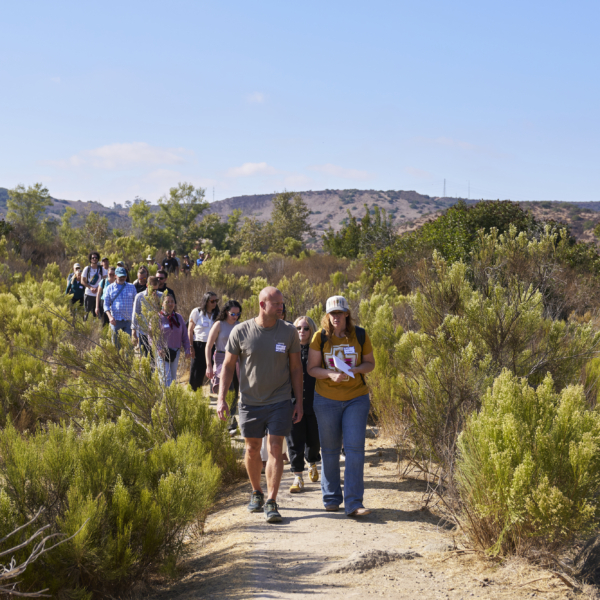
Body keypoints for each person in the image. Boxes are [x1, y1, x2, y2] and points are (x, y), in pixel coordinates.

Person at [217, 287, 303, 523]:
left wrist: (299, 402)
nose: (281, 308)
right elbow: (227, 366)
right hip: (250, 402)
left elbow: (296, 369)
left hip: (280, 399)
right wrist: (221, 399)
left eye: (281, 304)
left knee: (276, 448)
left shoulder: (288, 332)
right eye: (276, 304)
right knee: (252, 449)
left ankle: (272, 501)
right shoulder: (241, 331)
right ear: (262, 305)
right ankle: (256, 491)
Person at [307, 295, 375, 517]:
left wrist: (354, 370)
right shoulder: (320, 337)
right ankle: (331, 497)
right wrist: (330, 374)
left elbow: (370, 364)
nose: (336, 317)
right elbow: (312, 368)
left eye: (339, 313)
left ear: (347, 313)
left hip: (356, 398)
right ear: (328, 315)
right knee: (329, 450)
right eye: (332, 313)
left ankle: (354, 503)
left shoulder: (360, 335)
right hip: (326, 398)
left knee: (355, 450)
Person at [287, 316, 320, 493]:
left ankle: (312, 462)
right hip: (292, 402)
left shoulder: (318, 350)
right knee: (294, 440)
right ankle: (297, 477)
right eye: (298, 328)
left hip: (315, 402)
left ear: (312, 330)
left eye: (306, 328)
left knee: (314, 440)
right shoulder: (288, 350)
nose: (302, 331)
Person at [206, 301, 242, 435]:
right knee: (228, 390)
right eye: (233, 313)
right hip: (221, 358)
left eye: (238, 314)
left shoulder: (240, 326)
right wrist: (209, 365)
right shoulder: (219, 325)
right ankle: (229, 424)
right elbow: (208, 346)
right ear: (226, 312)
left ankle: (231, 422)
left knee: (235, 392)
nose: (235, 316)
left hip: (237, 359)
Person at [153, 295, 190, 386]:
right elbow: (152, 336)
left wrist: (187, 349)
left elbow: (184, 335)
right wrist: (159, 349)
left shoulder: (179, 317)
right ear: (162, 304)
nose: (170, 304)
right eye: (167, 302)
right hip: (162, 353)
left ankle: (171, 399)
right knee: (166, 377)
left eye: (172, 301)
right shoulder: (156, 318)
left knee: (173, 378)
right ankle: (165, 399)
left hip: (175, 352)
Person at [188, 292, 219, 391]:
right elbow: (190, 329)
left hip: (213, 345)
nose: (214, 303)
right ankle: (194, 393)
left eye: (216, 301)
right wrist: (191, 346)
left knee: (214, 370)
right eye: (212, 301)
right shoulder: (197, 312)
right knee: (197, 370)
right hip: (198, 344)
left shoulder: (218, 314)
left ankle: (214, 392)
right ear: (206, 301)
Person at [103, 266, 137, 345]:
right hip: (115, 321)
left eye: (124, 276)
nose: (122, 278)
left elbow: (136, 303)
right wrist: (110, 317)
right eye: (120, 276)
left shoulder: (131, 287)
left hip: (129, 321)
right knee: (116, 346)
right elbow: (106, 305)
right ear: (115, 276)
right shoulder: (110, 288)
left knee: (129, 346)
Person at [132, 275, 163, 356]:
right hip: (144, 331)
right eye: (152, 289)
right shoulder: (139, 296)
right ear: (147, 285)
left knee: (156, 357)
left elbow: (164, 313)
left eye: (156, 289)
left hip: (157, 332)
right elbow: (135, 313)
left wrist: (157, 302)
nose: (154, 292)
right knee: (145, 356)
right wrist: (133, 331)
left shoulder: (161, 296)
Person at [82, 252, 107, 319]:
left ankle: (98, 328)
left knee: (98, 314)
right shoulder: (87, 269)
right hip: (89, 294)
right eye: (93, 258)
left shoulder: (102, 270)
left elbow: (105, 281)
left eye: (96, 258)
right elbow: (82, 281)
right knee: (86, 313)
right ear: (90, 259)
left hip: (98, 295)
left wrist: (98, 288)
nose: (94, 259)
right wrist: (90, 287)